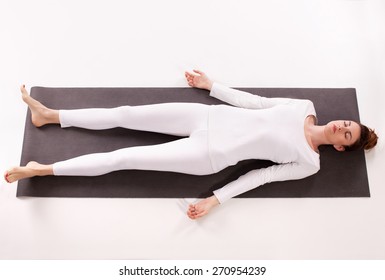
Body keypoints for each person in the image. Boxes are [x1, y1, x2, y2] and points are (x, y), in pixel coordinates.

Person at [4, 70, 378, 219]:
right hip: (206, 117)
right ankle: (50, 115)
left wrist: (216, 199)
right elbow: (257, 102)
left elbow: (261, 177)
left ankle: (44, 170)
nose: (342, 127)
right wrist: (212, 87)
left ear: (342, 147)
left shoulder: (309, 163)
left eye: (347, 134)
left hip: (208, 155)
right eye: (348, 123)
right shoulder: (305, 107)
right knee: (127, 112)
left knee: (125, 157)